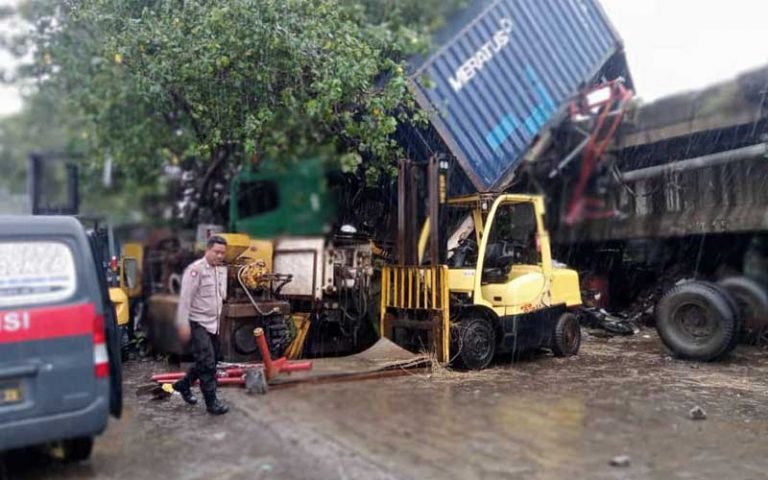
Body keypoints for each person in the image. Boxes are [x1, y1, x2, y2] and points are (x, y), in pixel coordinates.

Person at [172, 235, 229, 415]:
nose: (220, 256)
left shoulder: (219, 270)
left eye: (222, 253)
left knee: (210, 360)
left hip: (213, 324)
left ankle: (183, 385)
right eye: (216, 252)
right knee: (207, 363)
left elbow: (221, 296)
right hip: (198, 323)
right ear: (208, 250)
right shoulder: (195, 270)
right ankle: (212, 402)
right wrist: (183, 324)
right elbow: (185, 299)